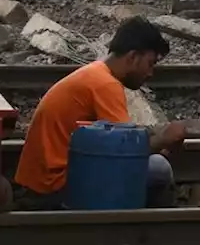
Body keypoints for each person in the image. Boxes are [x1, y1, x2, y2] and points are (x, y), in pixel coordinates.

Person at [15, 16, 188, 209]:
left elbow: (116, 140)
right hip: (56, 186)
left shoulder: (95, 73)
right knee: (159, 168)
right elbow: (125, 151)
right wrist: (165, 139)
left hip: (42, 182)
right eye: (150, 63)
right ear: (132, 57)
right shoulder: (106, 84)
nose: (150, 73)